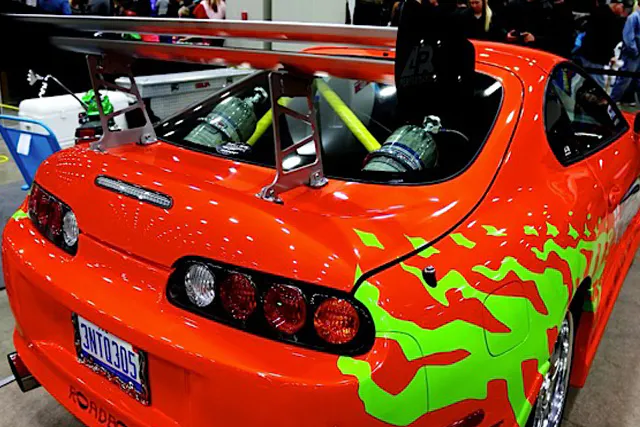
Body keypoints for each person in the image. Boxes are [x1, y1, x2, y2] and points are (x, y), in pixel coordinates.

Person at [576, 0, 630, 88]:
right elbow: (605, 39)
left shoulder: (602, 13)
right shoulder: (607, 18)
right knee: (597, 83)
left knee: (581, 79)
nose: (624, 11)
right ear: (617, 4)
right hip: (595, 56)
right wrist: (610, 55)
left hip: (591, 53)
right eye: (623, 7)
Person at [611, 5, 640, 102]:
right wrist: (634, 51)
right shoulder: (633, 17)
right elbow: (628, 37)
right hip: (632, 55)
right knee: (624, 80)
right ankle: (611, 102)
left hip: (637, 55)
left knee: (637, 81)